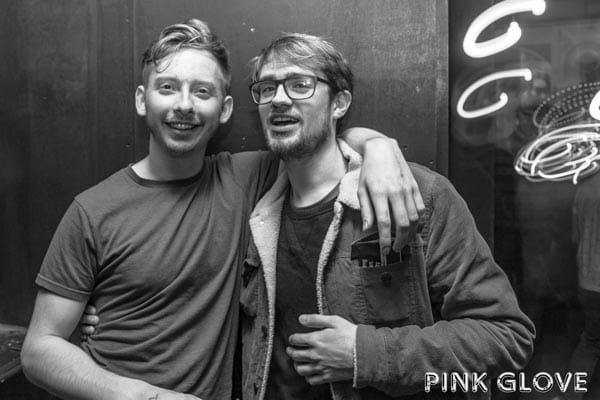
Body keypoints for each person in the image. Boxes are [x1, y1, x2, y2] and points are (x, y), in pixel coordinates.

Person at [20, 19, 423, 400]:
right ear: (142, 100)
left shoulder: (247, 177)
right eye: (167, 88)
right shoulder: (93, 210)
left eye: (202, 91)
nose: (184, 105)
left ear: (225, 109)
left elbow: (318, 141)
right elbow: (38, 350)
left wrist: (378, 147)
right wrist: (147, 396)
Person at [239, 33, 536, 400]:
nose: (279, 99)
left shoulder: (418, 194)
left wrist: (366, 355)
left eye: (300, 84)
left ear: (339, 103)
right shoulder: (254, 207)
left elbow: (505, 336)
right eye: (267, 88)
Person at [567, 171, 600, 399]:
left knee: (590, 341)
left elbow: (575, 237)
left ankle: (570, 395)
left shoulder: (584, 188)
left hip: (588, 282)